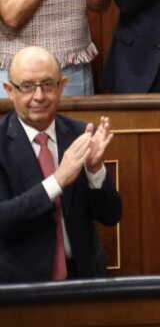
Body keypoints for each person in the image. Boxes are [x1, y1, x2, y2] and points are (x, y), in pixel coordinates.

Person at [0, 46, 119, 281]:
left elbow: (110, 215)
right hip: (20, 287)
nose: (39, 96)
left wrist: (95, 172)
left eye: (47, 84)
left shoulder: (80, 134)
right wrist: (57, 180)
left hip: (83, 279)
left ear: (62, 86)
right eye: (27, 86)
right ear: (9, 91)